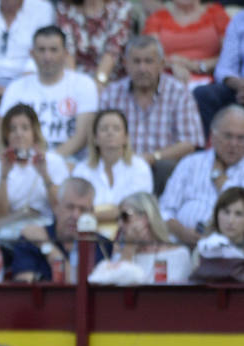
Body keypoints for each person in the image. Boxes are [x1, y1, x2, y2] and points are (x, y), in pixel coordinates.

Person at [99, 36, 205, 192]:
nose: (142, 68)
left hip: (161, 169)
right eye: (136, 62)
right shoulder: (111, 94)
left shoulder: (179, 93)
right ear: (125, 64)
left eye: (148, 61)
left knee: (164, 167)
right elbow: (98, 136)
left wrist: (153, 157)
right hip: (119, 167)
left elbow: (189, 143)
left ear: (161, 64)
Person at [0, 25, 97, 158]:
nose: (47, 56)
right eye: (41, 50)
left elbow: (82, 137)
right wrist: (16, 160)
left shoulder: (84, 84)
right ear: (32, 54)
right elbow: (0, 134)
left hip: (69, 160)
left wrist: (47, 161)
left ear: (66, 53)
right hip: (22, 159)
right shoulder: (16, 87)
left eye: (53, 50)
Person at [159, 105, 244, 245]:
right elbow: (164, 210)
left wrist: (219, 178)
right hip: (183, 244)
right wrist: (181, 232)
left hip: (234, 251)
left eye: (241, 138)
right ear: (213, 137)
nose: (234, 144)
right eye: (228, 136)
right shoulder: (190, 163)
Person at [0, 103, 68, 240]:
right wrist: (4, 176)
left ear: (34, 132)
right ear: (6, 135)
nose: (19, 134)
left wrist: (45, 174)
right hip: (10, 234)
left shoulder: (53, 161)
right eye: (13, 129)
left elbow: (61, 208)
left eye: (25, 128)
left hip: (48, 230)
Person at [6, 175, 113, 281]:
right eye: (70, 207)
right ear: (56, 206)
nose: (75, 215)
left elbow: (80, 285)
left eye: (83, 210)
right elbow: (25, 283)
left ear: (91, 213)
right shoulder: (32, 238)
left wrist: (48, 247)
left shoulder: (103, 246)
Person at [72, 108, 153, 229]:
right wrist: (116, 212)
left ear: (126, 137)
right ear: (95, 138)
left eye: (116, 128)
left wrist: (92, 216)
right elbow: (75, 208)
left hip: (129, 233)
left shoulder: (139, 167)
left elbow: (136, 208)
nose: (110, 132)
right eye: (104, 129)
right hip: (89, 233)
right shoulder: (82, 170)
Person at [88, 190, 193, 284]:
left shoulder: (179, 254)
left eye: (125, 217)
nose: (120, 224)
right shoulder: (120, 254)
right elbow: (113, 291)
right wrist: (128, 250)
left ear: (145, 218)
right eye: (118, 218)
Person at [144, 0, 230, 87]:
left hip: (211, 80)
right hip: (167, 79)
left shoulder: (216, 13)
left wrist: (198, 66)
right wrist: (172, 64)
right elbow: (148, 53)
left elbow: (230, 54)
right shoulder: (158, 17)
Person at [56, 0, 135, 87]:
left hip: (111, 81)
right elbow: (68, 50)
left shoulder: (120, 6)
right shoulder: (66, 8)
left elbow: (113, 50)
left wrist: (98, 83)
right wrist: (72, 86)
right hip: (78, 80)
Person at [197, 10, 244, 145]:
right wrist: (240, 85)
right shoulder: (240, 19)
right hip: (240, 87)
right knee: (204, 94)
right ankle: (208, 155)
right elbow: (224, 67)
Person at [189, 185, 244, 281]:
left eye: (238, 214)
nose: (230, 221)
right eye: (226, 212)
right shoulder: (202, 250)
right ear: (216, 214)